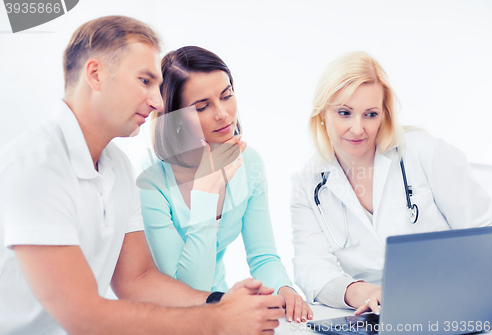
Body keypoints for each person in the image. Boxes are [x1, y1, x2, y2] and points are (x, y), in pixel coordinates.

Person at [0, 16, 285, 335]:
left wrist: (222, 301)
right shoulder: (36, 166)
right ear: (95, 75)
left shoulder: (118, 167)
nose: (158, 101)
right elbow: (82, 316)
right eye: (145, 81)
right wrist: (219, 320)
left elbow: (139, 281)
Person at [290, 51, 492, 316]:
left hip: (450, 305)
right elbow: (310, 266)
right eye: (344, 113)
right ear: (322, 114)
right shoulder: (307, 184)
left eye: (370, 114)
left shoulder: (425, 153)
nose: (358, 128)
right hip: (375, 315)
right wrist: (360, 292)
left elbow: (486, 233)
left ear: (384, 114)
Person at [137, 46, 312, 323]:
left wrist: (285, 289)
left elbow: (263, 255)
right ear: (176, 119)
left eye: (227, 95)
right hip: (168, 320)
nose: (223, 114)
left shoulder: (250, 162)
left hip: (221, 311)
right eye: (202, 107)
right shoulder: (151, 185)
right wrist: (206, 193)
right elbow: (188, 292)